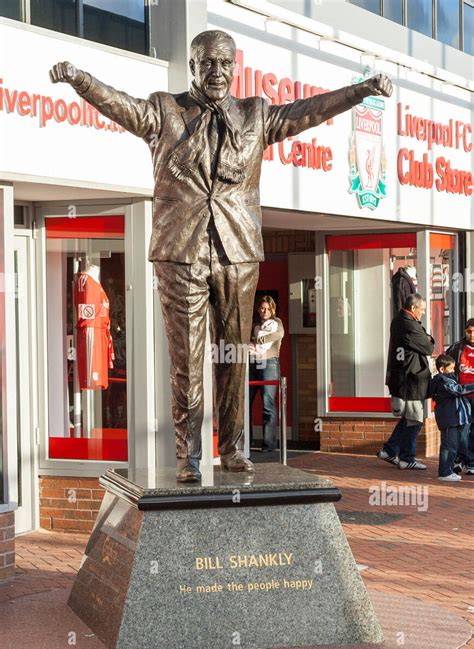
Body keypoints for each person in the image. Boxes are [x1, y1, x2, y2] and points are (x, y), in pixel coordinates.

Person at [49, 31, 393, 483]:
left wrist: (361, 91)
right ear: (192, 66)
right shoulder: (164, 110)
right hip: (180, 253)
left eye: (225, 63)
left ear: (235, 67)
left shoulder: (255, 114)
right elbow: (122, 106)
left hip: (237, 251)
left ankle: (233, 450)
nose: (217, 72)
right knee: (186, 362)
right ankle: (189, 457)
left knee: (233, 356)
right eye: (207, 63)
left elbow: (308, 112)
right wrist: (81, 80)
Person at [378, 293, 434, 470]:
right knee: (415, 419)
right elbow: (428, 346)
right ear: (413, 308)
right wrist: (428, 339)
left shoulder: (399, 320)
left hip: (407, 378)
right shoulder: (409, 323)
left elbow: (425, 342)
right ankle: (406, 457)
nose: (423, 314)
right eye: (422, 310)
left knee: (409, 417)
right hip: (410, 379)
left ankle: (389, 450)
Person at [430, 354, 474, 481]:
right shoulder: (442, 382)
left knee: (453, 446)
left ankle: (449, 470)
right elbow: (458, 390)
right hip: (449, 420)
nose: (453, 371)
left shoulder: (449, 380)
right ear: (442, 369)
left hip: (454, 419)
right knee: (448, 446)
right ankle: (444, 473)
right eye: (450, 369)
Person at [249, 296, 284, 451]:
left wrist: (257, 341)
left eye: (268, 308)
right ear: (258, 309)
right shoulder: (255, 325)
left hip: (269, 364)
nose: (265, 311)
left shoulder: (277, 323)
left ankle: (269, 444)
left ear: (273, 310)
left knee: (268, 404)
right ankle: (246, 442)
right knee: (246, 405)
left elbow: (278, 335)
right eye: (262, 308)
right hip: (252, 363)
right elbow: (246, 339)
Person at [447, 318, 474, 475]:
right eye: (469, 331)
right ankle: (461, 460)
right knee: (463, 430)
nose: (471, 335)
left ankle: (471, 463)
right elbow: (446, 368)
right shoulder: (457, 348)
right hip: (462, 397)